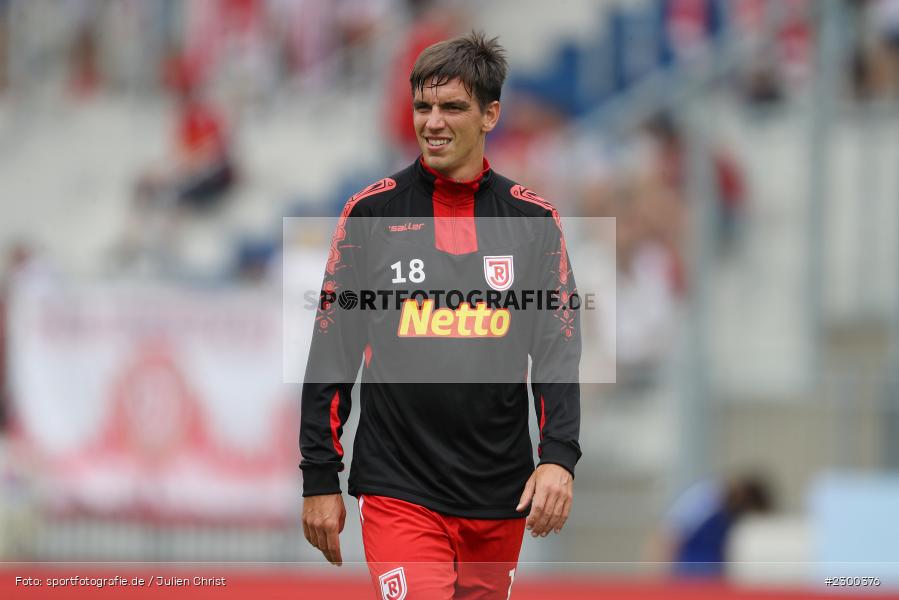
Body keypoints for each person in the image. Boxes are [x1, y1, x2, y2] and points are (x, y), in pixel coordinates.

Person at [300, 32, 582, 599]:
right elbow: (332, 351)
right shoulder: (369, 214)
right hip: (398, 485)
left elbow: (557, 348)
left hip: (498, 493)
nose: (433, 122)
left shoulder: (534, 222)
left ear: (490, 114)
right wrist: (319, 478)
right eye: (423, 107)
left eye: (452, 107)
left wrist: (559, 458)